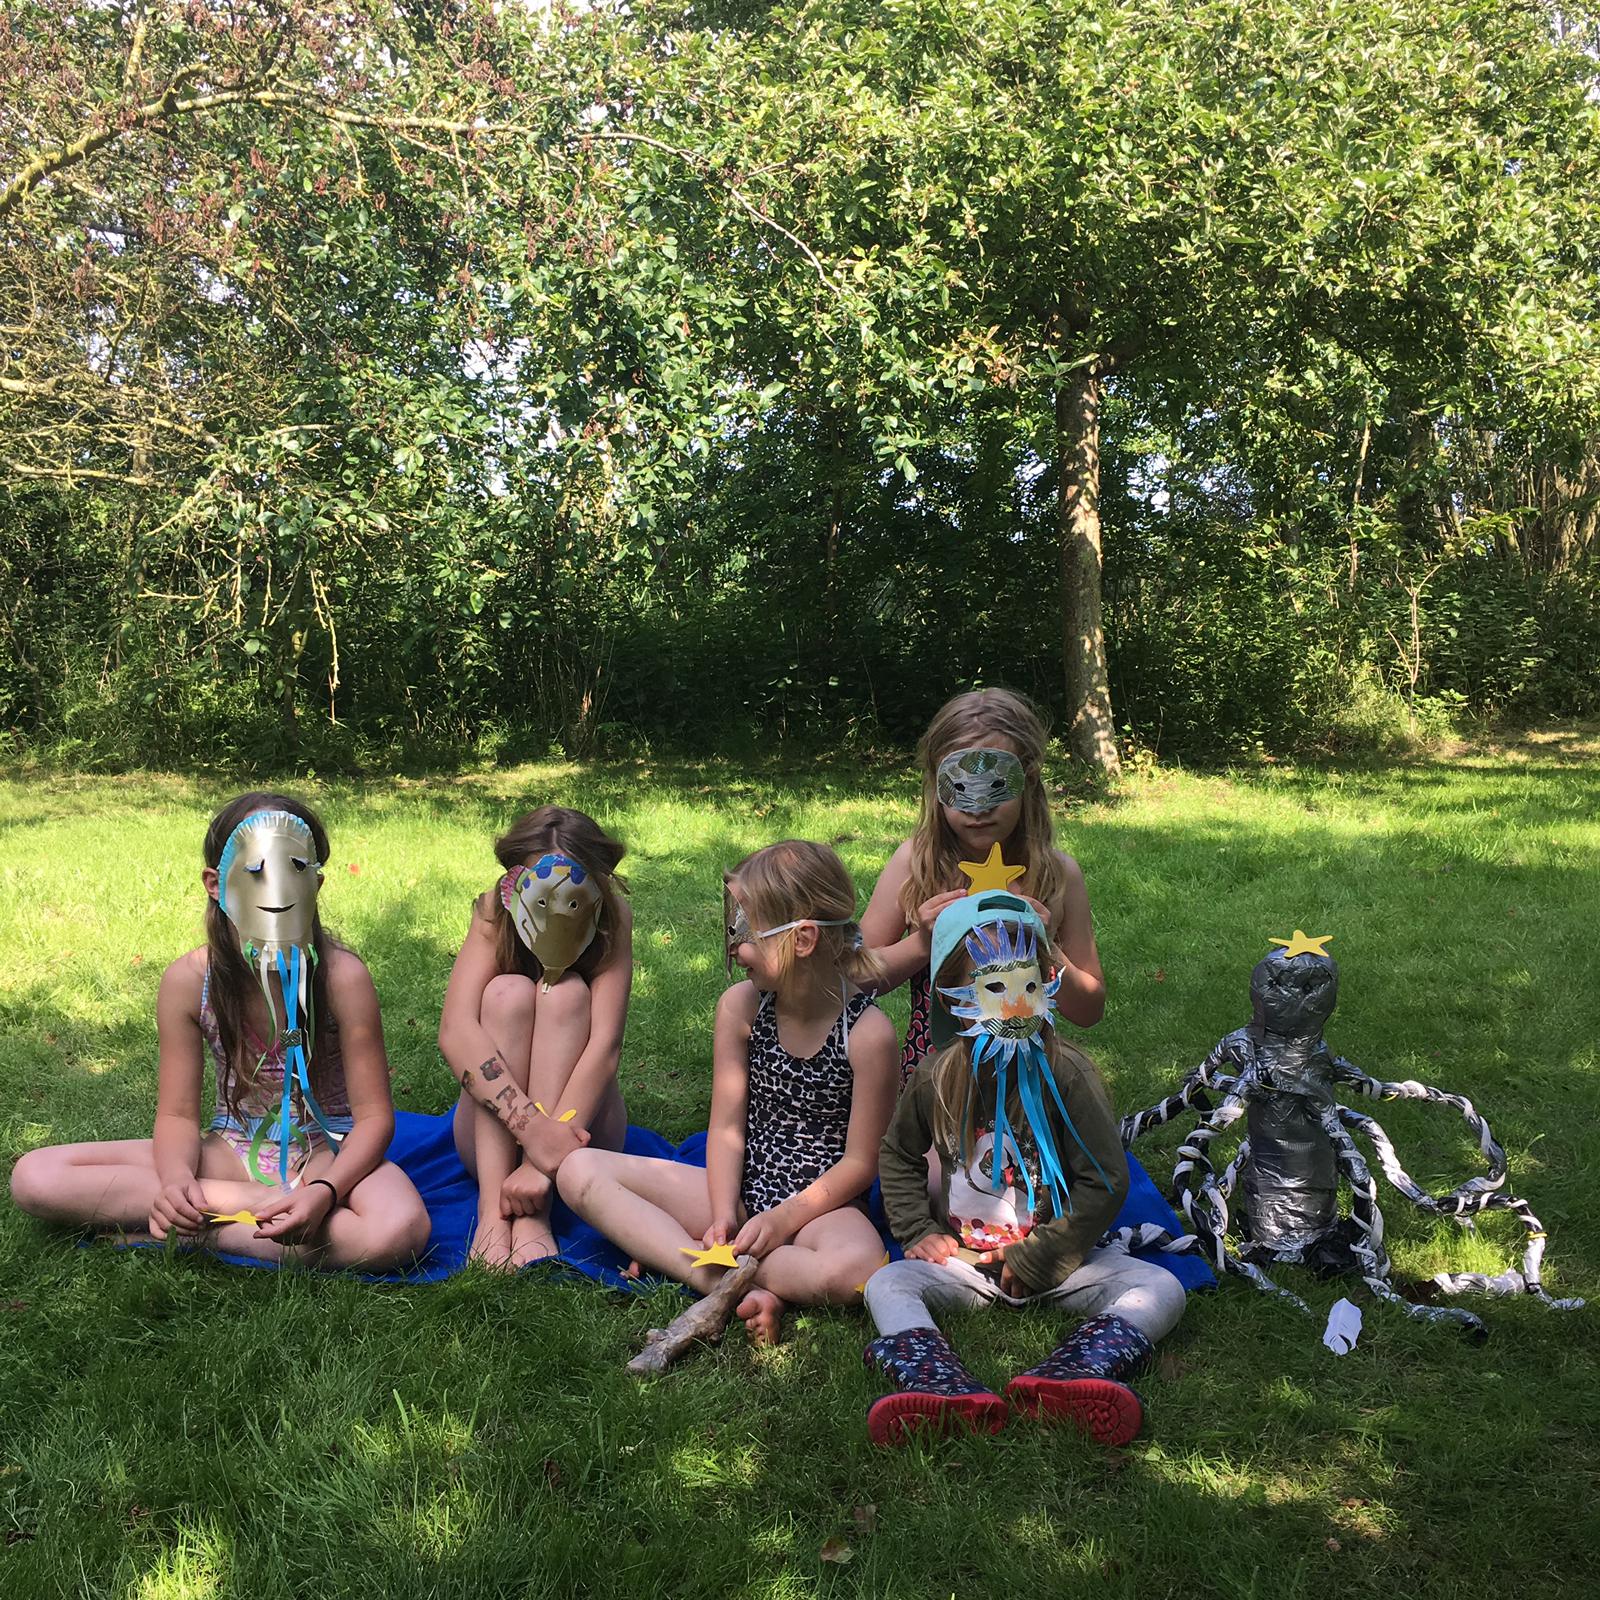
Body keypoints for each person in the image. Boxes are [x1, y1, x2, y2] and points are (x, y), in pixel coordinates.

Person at [9, 793, 430, 1269]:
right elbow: (177, 1115)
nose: (276, 886)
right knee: (36, 1176)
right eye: (255, 870)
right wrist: (176, 1183)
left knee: (398, 1231)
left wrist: (324, 1190)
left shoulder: (342, 978)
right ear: (215, 883)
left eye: (294, 867)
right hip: (230, 1150)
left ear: (316, 882)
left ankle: (205, 1230)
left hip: (325, 1151)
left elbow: (373, 1119)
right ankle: (243, 1209)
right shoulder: (189, 981)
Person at [862, 893, 1185, 1446]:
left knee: (1161, 1286)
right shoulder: (936, 1076)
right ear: (953, 998)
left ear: (1046, 982)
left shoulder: (1068, 1073)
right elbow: (896, 1153)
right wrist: (916, 1229)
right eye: (994, 987)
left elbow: (1106, 1179)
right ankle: (937, 1383)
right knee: (887, 1282)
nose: (1015, 1004)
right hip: (965, 1266)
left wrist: (1046, 1255)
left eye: (1027, 985)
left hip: (1058, 1267)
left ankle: (1075, 1373)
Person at [556, 840, 898, 1343]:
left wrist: (782, 1220)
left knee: (855, 1271)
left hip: (820, 1209)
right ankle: (720, 1279)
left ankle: (701, 1262)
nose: (734, 948)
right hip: (739, 1189)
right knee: (577, 1171)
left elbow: (860, 1164)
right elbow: (726, 1127)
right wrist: (720, 1215)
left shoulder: (867, 1035)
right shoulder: (742, 1006)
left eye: (744, 930)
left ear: (803, 939)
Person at [859, 687, 1105, 1086]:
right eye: (960, 789)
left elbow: (1090, 1010)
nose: (978, 808)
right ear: (937, 787)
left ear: (1028, 779)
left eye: (995, 786)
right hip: (936, 1079)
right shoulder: (915, 864)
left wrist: (1047, 948)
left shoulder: (1058, 875)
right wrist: (924, 942)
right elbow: (854, 978)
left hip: (1029, 1082)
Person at [439, 805, 632, 1268]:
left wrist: (541, 1160)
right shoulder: (493, 912)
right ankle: (493, 1209)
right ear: (513, 886)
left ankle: (533, 1213)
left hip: (582, 1137)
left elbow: (605, 1045)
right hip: (494, 1139)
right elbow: (455, 1030)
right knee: (506, 993)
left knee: (565, 993)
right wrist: (530, 1128)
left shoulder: (613, 917)